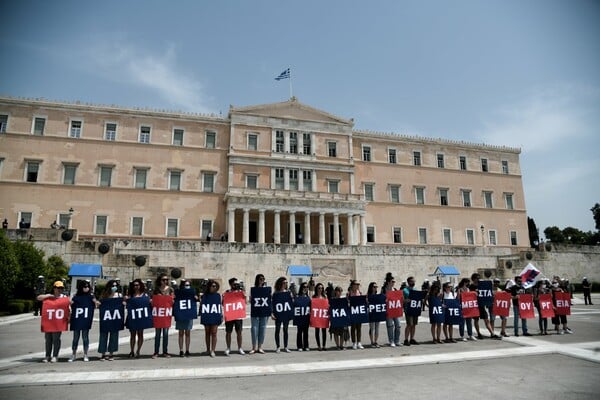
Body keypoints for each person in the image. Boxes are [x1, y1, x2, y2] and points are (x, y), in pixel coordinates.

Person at [37, 281, 68, 362]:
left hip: (58, 323)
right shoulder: (49, 297)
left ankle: (55, 356)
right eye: (58, 288)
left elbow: (69, 307)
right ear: (54, 288)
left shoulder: (64, 297)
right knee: (48, 339)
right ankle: (47, 356)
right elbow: (38, 298)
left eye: (61, 288)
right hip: (49, 322)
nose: (60, 289)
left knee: (56, 339)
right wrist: (48, 295)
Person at [69, 280, 94, 362]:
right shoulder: (76, 297)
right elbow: (70, 304)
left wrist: (97, 302)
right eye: (85, 287)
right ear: (81, 287)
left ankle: (85, 354)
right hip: (77, 320)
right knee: (75, 338)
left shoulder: (91, 297)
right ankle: (73, 354)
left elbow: (96, 303)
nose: (86, 288)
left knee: (85, 338)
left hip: (85, 320)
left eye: (88, 286)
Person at [470, 273, 500, 339]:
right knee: (476, 320)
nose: (478, 279)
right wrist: (474, 293)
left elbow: (487, 293)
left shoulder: (482, 285)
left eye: (479, 278)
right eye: (477, 278)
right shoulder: (471, 286)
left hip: (482, 305)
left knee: (486, 319)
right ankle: (478, 333)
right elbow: (469, 295)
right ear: (473, 279)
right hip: (475, 305)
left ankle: (492, 333)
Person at [98, 279, 122, 361]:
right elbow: (100, 304)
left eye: (116, 286)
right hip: (106, 318)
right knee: (103, 335)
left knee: (114, 336)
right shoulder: (104, 295)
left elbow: (122, 305)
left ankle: (111, 353)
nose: (114, 287)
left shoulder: (119, 295)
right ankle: (103, 353)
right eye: (113, 285)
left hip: (115, 318)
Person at [152, 274, 174, 358]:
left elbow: (172, 301)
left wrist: (171, 299)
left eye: (167, 280)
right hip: (158, 315)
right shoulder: (156, 290)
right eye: (164, 280)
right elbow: (152, 300)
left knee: (165, 334)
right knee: (157, 334)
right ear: (160, 280)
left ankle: (165, 351)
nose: (165, 281)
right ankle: (156, 352)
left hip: (166, 314)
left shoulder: (170, 289)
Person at [126, 279, 148, 358]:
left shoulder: (145, 296)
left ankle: (138, 351)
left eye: (137, 285)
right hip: (132, 317)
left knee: (140, 335)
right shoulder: (130, 296)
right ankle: (131, 351)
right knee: (132, 335)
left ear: (140, 286)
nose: (136, 287)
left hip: (141, 317)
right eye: (135, 285)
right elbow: (125, 304)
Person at [175, 279, 197, 357]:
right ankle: (181, 350)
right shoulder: (178, 292)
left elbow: (196, 300)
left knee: (188, 333)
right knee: (180, 333)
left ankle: (187, 350)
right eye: (185, 285)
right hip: (181, 315)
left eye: (188, 285)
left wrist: (196, 297)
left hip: (188, 315)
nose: (187, 287)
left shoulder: (192, 293)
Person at [224, 277, 245, 355]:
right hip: (230, 315)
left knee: (239, 332)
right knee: (228, 332)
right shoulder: (227, 292)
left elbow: (244, 301)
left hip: (238, 315)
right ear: (230, 284)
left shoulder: (240, 291)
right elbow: (224, 302)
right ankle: (228, 348)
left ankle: (240, 348)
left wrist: (243, 293)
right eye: (234, 284)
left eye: (237, 284)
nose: (235, 285)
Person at [249, 274, 269, 354]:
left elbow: (269, 301)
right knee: (254, 329)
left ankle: (260, 347)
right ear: (257, 280)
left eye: (263, 279)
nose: (262, 280)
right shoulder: (253, 289)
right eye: (261, 279)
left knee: (263, 329)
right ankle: (254, 347)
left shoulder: (266, 289)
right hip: (255, 312)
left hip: (264, 312)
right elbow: (251, 301)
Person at [202, 280, 221, 357]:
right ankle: (207, 349)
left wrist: (221, 316)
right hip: (207, 315)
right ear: (209, 287)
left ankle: (213, 350)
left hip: (215, 315)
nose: (214, 287)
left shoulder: (218, 296)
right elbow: (202, 306)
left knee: (214, 333)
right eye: (213, 286)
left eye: (215, 286)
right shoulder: (204, 296)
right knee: (207, 333)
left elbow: (219, 306)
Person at [272, 276, 291, 353]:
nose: (285, 284)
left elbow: (290, 303)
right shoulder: (276, 293)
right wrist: (272, 313)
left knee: (285, 330)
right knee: (277, 330)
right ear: (280, 283)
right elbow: (273, 304)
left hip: (286, 313)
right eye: (284, 283)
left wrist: (292, 298)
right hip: (278, 313)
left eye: (286, 283)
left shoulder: (288, 292)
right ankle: (278, 346)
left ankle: (285, 346)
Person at [381, 272, 401, 347]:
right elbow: (381, 298)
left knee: (398, 325)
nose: (394, 283)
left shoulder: (395, 289)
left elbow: (398, 299)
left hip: (395, 310)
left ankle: (397, 340)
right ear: (388, 282)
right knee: (390, 326)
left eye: (394, 281)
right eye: (392, 281)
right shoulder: (384, 289)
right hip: (388, 310)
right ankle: (391, 341)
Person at [347, 280, 364, 349]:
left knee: (359, 328)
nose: (357, 286)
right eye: (356, 284)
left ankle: (359, 342)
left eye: (358, 284)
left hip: (358, 312)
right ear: (352, 285)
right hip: (352, 311)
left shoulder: (359, 292)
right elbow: (347, 302)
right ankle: (354, 342)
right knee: (353, 328)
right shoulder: (349, 293)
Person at [403, 276, 420, 346]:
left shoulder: (415, 289)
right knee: (409, 324)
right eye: (412, 281)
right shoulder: (404, 290)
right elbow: (401, 300)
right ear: (409, 282)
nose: (413, 282)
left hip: (415, 308)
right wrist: (405, 301)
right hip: (408, 309)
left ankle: (412, 338)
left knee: (414, 325)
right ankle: (406, 339)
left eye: (414, 281)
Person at [295, 282, 310, 351]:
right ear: (301, 288)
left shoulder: (308, 297)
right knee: (299, 332)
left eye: (307, 287)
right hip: (300, 316)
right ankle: (299, 346)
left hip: (306, 316)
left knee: (306, 332)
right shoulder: (297, 297)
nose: (305, 288)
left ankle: (306, 345)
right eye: (304, 287)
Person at [313, 283, 328, 351]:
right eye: (319, 288)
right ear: (316, 289)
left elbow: (327, 305)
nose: (320, 289)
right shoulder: (314, 297)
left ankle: (324, 345)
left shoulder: (325, 296)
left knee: (324, 331)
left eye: (321, 288)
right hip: (317, 316)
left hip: (323, 315)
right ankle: (319, 345)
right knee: (317, 331)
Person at [366, 281, 381, 348]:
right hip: (371, 313)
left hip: (377, 313)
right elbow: (366, 304)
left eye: (376, 287)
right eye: (374, 287)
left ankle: (375, 341)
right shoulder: (368, 295)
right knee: (372, 328)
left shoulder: (377, 295)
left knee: (377, 328)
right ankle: (372, 342)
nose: (375, 288)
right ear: (371, 287)